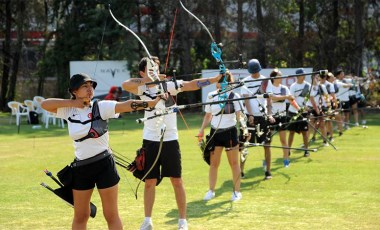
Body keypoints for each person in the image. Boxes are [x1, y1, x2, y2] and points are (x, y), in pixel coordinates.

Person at [41, 73, 160, 230]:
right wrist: (74, 103)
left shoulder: (101, 106)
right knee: (80, 215)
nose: (90, 89)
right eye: (85, 86)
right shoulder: (68, 110)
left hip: (104, 165)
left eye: (91, 86)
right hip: (82, 168)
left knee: (111, 214)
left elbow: (126, 105)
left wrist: (151, 103)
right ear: (74, 91)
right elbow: (45, 104)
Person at [122, 57, 223, 230]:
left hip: (170, 139)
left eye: (156, 68)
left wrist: (214, 80)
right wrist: (149, 79)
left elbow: (192, 84)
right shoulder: (141, 87)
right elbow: (125, 84)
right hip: (151, 139)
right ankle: (147, 221)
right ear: (142, 72)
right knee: (150, 182)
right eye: (150, 68)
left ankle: (182, 221)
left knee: (177, 180)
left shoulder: (169, 85)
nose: (154, 70)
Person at [198, 71, 243, 202]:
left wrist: (244, 130)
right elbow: (208, 116)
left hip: (230, 132)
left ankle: (236, 192)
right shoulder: (211, 96)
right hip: (215, 133)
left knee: (234, 163)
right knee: (214, 163)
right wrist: (201, 131)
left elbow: (239, 116)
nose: (221, 83)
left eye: (225, 81)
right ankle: (211, 191)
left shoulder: (235, 95)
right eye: (220, 80)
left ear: (229, 82)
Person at [240, 59, 275, 180]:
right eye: (252, 72)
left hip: (263, 116)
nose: (254, 74)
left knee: (267, 144)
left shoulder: (266, 81)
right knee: (245, 144)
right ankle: (241, 171)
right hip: (249, 116)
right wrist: (250, 115)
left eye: (256, 71)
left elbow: (269, 99)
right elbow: (246, 100)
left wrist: (270, 114)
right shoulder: (245, 82)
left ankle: (268, 171)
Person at [269, 68, 297, 167]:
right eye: (279, 76)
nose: (281, 77)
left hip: (282, 116)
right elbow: (272, 98)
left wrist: (298, 108)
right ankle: (267, 162)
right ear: (273, 78)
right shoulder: (269, 87)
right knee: (269, 140)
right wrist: (286, 97)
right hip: (271, 116)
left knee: (283, 140)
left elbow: (291, 100)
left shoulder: (284, 88)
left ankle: (286, 161)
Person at [288, 68, 311, 157]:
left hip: (304, 112)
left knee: (305, 132)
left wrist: (305, 105)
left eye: (304, 74)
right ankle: (288, 150)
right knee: (292, 132)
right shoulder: (293, 86)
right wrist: (298, 108)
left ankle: (306, 150)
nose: (304, 76)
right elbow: (291, 99)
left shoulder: (308, 85)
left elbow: (307, 97)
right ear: (297, 76)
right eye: (302, 75)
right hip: (293, 112)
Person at [306, 74, 329, 147]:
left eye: (318, 77)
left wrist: (327, 106)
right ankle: (306, 142)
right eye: (316, 77)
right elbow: (308, 99)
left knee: (322, 125)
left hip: (320, 107)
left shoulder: (322, 86)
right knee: (310, 125)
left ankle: (325, 141)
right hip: (311, 107)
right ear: (312, 78)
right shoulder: (309, 87)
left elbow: (326, 97)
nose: (318, 79)